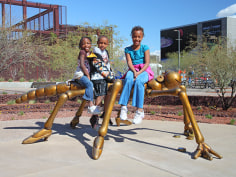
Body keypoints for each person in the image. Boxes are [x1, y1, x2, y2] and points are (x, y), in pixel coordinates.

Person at [118, 26, 154, 124]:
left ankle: (139, 110)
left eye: (139, 37)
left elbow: (147, 63)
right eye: (135, 37)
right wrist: (134, 71)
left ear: (142, 37)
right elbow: (129, 62)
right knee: (128, 79)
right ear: (131, 37)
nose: (137, 39)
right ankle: (124, 107)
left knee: (139, 82)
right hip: (132, 69)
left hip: (144, 70)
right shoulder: (127, 49)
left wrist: (139, 73)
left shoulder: (145, 48)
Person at [88, 35, 115, 129]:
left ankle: (106, 114)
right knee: (100, 94)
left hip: (105, 76)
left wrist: (111, 73)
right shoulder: (94, 53)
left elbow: (107, 64)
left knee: (109, 93)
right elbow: (99, 67)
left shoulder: (105, 52)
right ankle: (95, 116)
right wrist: (109, 76)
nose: (102, 45)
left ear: (107, 44)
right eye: (100, 43)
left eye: (104, 43)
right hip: (97, 76)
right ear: (97, 43)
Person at [73, 37, 101, 115]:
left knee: (95, 85)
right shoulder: (82, 52)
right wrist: (88, 75)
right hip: (80, 75)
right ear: (80, 45)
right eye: (83, 44)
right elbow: (82, 65)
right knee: (89, 84)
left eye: (88, 43)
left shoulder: (89, 53)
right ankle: (91, 105)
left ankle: (96, 105)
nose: (86, 45)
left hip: (85, 74)